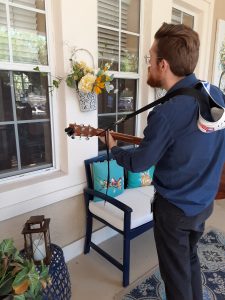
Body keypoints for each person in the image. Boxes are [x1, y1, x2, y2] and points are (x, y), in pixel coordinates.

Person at [99, 23, 225, 300]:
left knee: (174, 277)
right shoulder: (215, 94)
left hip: (176, 211)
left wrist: (114, 148)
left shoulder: (166, 113)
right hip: (203, 203)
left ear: (163, 65)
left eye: (149, 60)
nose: (148, 66)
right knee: (189, 259)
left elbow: (139, 163)